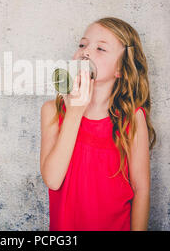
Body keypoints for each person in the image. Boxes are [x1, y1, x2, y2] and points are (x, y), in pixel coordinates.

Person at [40, 17, 157, 231]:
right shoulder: (53, 112)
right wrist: (75, 112)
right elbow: (53, 180)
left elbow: (141, 190)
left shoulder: (131, 118)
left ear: (120, 70)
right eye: (83, 45)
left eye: (100, 49)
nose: (86, 52)